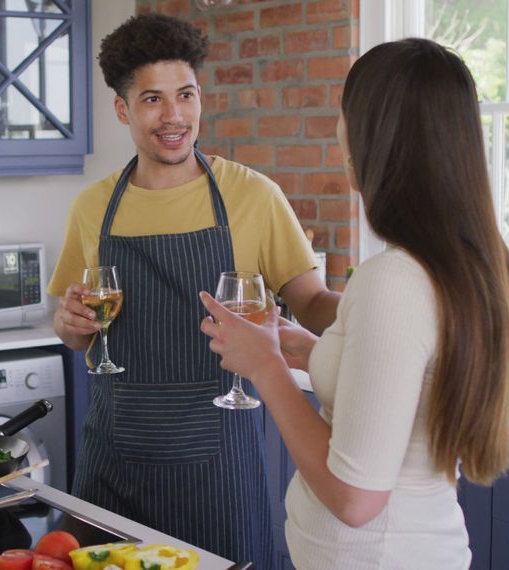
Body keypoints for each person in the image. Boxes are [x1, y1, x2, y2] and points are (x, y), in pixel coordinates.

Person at [200, 38, 509, 568]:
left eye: (345, 113)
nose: (340, 134)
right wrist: (311, 351)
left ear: (377, 138)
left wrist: (265, 367)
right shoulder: (471, 263)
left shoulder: (393, 282)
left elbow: (356, 500)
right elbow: (404, 383)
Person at [47, 13, 339, 567]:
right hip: (113, 466)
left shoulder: (252, 195)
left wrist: (379, 308)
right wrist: (70, 325)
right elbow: (76, 331)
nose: (174, 116)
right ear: (122, 109)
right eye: (153, 99)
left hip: (220, 473)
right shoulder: (93, 207)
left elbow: (315, 303)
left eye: (185, 94)